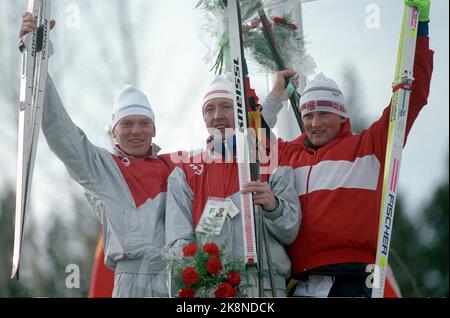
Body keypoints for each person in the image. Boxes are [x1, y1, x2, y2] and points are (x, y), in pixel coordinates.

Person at [263, 0, 434, 297]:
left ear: (342, 115)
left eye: (324, 114)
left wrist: (420, 28)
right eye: (308, 115)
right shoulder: (290, 153)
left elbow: (411, 96)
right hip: (301, 280)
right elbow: (246, 143)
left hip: (354, 277)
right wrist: (276, 97)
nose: (315, 123)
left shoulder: (370, 145)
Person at [20, 14, 175, 297]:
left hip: (176, 279)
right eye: (127, 124)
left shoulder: (174, 167)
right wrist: (37, 58)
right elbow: (59, 129)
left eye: (144, 123)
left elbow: (224, 151)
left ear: (154, 129)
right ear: (114, 132)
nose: (136, 131)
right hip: (131, 282)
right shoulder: (102, 167)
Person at [165, 73, 301, 297]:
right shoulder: (186, 170)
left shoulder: (271, 159)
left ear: (240, 113)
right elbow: (178, 240)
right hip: (212, 288)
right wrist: (201, 274)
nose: (217, 116)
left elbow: (290, 231)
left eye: (226, 107)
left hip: (266, 286)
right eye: (209, 109)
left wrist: (273, 207)